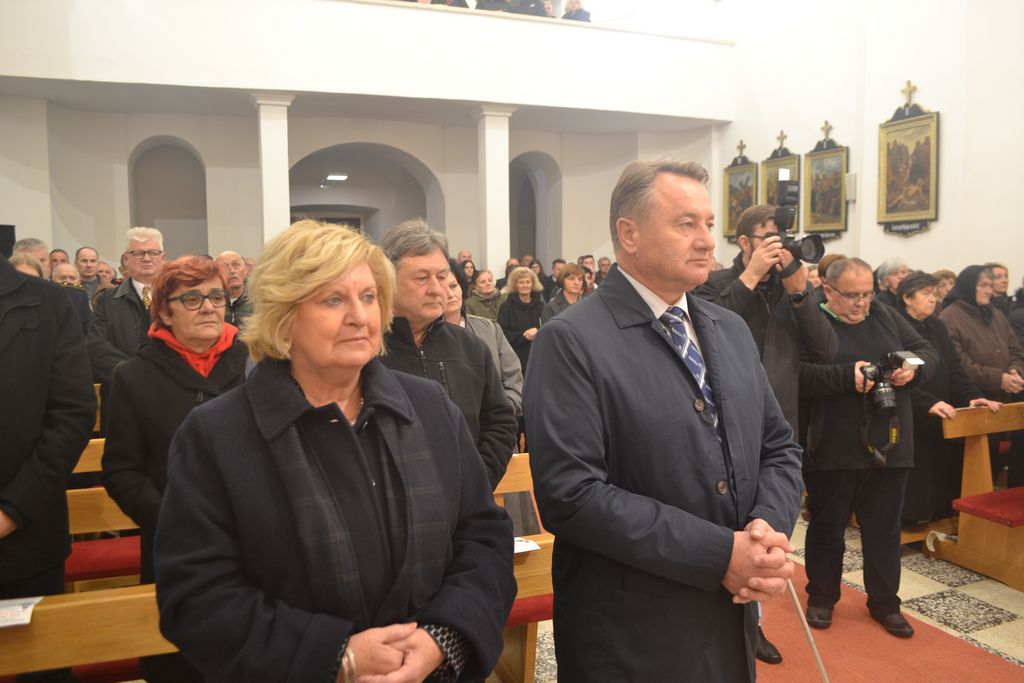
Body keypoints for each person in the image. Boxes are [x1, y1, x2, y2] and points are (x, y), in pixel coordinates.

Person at [154, 220, 516, 682]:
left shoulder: (429, 408)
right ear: (284, 314)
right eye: (333, 300)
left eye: (368, 297)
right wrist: (335, 657)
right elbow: (197, 596)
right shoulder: (217, 434)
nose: (360, 317)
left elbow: (483, 536)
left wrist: (442, 637)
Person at [523, 159, 803, 681]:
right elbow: (571, 494)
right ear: (629, 234)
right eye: (685, 224)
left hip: (728, 617)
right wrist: (720, 554)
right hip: (634, 629)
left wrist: (767, 526)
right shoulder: (572, 339)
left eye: (709, 224)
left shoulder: (730, 328)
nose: (706, 241)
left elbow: (778, 447)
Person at [694, 203, 838, 662]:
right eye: (770, 237)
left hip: (777, 427)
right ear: (744, 242)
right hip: (719, 422)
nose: (780, 247)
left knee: (767, 528)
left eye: (784, 238)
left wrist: (801, 294)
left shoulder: (792, 288)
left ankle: (750, 623)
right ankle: (716, 620)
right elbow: (705, 331)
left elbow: (827, 348)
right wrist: (751, 276)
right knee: (726, 528)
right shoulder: (714, 283)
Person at [102, 255, 246, 683]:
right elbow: (121, 470)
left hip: (256, 538)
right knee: (181, 662)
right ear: (164, 312)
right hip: (176, 544)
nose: (209, 307)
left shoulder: (256, 364)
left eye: (216, 297)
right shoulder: (133, 375)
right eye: (192, 299)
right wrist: (172, 519)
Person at [800, 258, 937, 638]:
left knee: (884, 530)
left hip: (890, 442)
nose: (861, 303)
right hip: (833, 444)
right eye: (851, 295)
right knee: (827, 527)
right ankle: (822, 597)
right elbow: (794, 374)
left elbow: (926, 350)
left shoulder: (884, 314)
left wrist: (914, 369)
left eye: (867, 294)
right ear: (827, 290)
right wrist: (846, 377)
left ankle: (885, 603)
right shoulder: (812, 319)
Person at [0, 257, 95, 683]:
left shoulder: (47, 303)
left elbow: (72, 414)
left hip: (24, 537)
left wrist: (12, 511)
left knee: (39, 671)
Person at [380, 219, 516, 488]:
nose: (436, 289)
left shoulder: (471, 347)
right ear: (388, 281)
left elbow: (499, 421)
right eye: (422, 278)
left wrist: (477, 481)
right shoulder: (367, 351)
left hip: (466, 501)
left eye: (442, 277)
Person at [896, 271, 1001, 524]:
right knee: (919, 482)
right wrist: (928, 402)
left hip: (943, 412)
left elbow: (954, 369)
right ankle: (914, 524)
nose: (932, 299)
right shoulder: (896, 326)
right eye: (926, 294)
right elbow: (898, 379)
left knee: (944, 473)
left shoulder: (937, 325)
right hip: (911, 415)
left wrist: (973, 396)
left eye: (934, 293)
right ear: (907, 298)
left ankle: (944, 518)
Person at [939, 265, 1024, 487]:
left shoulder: (995, 314)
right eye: (983, 285)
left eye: (990, 285)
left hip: (1002, 399)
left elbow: (1015, 349)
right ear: (969, 286)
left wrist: (1015, 371)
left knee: (996, 465)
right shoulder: (950, 316)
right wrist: (999, 379)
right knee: (971, 471)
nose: (989, 290)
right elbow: (959, 363)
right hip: (972, 399)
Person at [87, 227, 167, 384]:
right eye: (138, 253)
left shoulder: (177, 298)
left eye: (153, 253)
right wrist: (131, 374)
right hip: (121, 385)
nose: (146, 258)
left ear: (163, 258)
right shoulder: (106, 300)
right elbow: (96, 346)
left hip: (169, 385)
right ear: (125, 259)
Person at [443, 272, 523, 422]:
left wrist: (504, 410)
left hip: (497, 425)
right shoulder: (424, 335)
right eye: (442, 288)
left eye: (453, 286)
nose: (450, 294)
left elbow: (513, 375)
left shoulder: (489, 328)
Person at [497, 265, 545, 373]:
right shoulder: (506, 307)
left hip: (539, 356)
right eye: (521, 282)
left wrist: (538, 332)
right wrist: (524, 336)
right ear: (515, 285)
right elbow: (502, 334)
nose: (525, 285)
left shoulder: (540, 306)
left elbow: (547, 327)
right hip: (515, 358)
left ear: (533, 284)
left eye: (528, 282)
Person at [215, 250, 254, 327]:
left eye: (236, 265)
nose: (232, 271)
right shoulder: (211, 301)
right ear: (216, 273)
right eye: (225, 266)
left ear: (245, 271)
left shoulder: (258, 298)